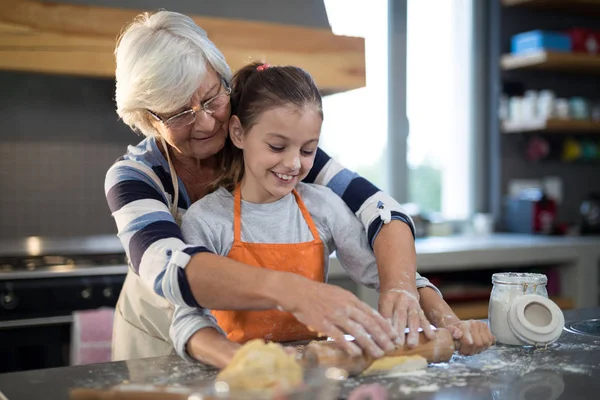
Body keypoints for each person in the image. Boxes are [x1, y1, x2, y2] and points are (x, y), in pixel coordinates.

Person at [106, 9, 464, 362]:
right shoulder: (135, 176)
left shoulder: (270, 148)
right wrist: (290, 291)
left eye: (212, 98)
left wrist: (407, 287)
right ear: (147, 118)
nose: (204, 122)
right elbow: (170, 268)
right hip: (154, 347)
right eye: (180, 113)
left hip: (262, 356)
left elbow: (379, 209)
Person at [168, 62, 494, 368]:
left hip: (315, 375)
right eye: (278, 147)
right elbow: (188, 318)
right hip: (235, 379)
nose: (294, 163)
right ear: (238, 133)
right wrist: (241, 362)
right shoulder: (207, 220)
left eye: (308, 150)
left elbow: (389, 277)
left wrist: (452, 324)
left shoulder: (322, 207)